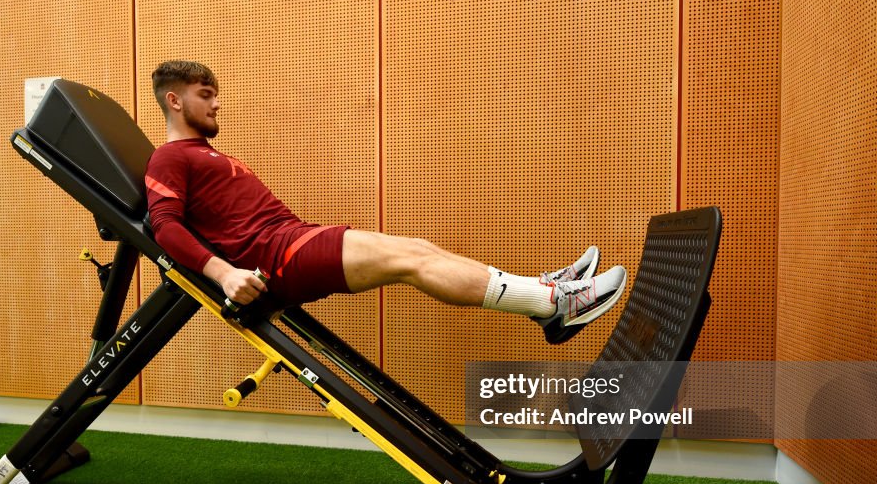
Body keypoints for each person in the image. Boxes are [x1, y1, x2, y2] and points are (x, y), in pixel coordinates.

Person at [144, 61, 627, 344]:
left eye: (216, 95)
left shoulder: (204, 154)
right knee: (412, 260)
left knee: (418, 248)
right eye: (206, 96)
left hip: (291, 239)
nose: (217, 104)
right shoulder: (168, 157)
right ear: (174, 101)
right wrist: (225, 274)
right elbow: (164, 227)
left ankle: (542, 294)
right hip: (275, 259)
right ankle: (552, 304)